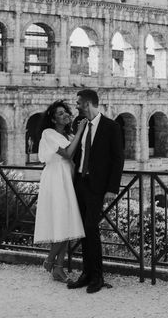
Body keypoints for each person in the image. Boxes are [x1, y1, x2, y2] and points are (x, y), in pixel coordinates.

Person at [67, 89, 124, 294]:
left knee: (91, 227)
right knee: (83, 230)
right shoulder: (79, 125)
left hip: (97, 186)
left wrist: (112, 188)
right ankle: (86, 273)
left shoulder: (111, 126)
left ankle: (97, 275)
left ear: (88, 103)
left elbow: (118, 159)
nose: (76, 106)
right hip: (80, 183)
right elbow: (76, 154)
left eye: (78, 103)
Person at [33, 100, 88, 282]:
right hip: (55, 179)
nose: (64, 115)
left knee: (66, 222)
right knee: (62, 221)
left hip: (67, 179)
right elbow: (67, 154)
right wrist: (80, 131)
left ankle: (57, 267)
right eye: (59, 113)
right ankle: (50, 261)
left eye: (66, 112)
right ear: (53, 118)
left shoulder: (68, 134)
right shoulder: (48, 133)